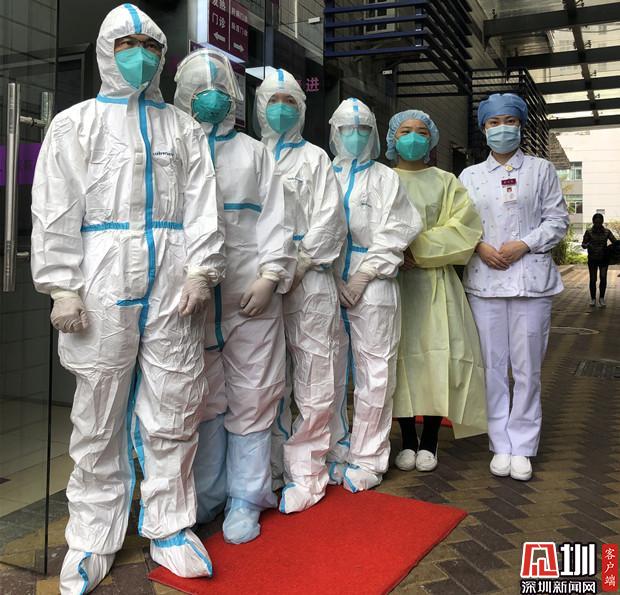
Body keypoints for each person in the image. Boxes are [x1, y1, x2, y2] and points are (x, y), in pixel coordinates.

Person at [31, 6, 225, 592]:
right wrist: (62, 284)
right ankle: (92, 537)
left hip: (172, 277)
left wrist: (201, 271)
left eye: (151, 45)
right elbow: (55, 207)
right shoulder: (75, 123)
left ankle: (170, 527)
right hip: (101, 277)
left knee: (175, 404)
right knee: (97, 412)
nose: (140, 55)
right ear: (105, 50)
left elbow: (203, 205)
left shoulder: (183, 128)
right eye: (127, 44)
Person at [174, 50, 296, 543]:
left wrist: (270, 276)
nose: (211, 98)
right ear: (183, 94)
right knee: (200, 399)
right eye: (200, 89)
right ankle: (207, 495)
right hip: (193, 299)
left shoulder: (254, 153)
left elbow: (277, 219)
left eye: (220, 89)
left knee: (254, 394)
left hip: (251, 298)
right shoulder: (175, 148)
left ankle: (246, 497)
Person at [459, 93, 569, 482]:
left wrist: (525, 244)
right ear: (483, 128)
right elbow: (460, 223)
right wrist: (479, 246)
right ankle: (499, 443)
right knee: (492, 367)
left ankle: (522, 445)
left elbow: (557, 220)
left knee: (527, 369)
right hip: (485, 281)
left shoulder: (541, 170)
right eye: (493, 122)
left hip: (530, 282)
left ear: (520, 125)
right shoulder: (470, 176)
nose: (501, 128)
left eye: (509, 121)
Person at [254, 69, 346, 513]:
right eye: (273, 100)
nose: (281, 109)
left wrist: (302, 261)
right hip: (260, 280)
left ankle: (307, 472)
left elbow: (330, 218)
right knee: (264, 378)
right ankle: (268, 468)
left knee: (314, 373)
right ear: (259, 106)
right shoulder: (252, 154)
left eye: (290, 101)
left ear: (302, 109)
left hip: (310, 281)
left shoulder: (315, 159)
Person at [326, 98, 422, 492]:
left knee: (375, 372)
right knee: (326, 370)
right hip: (326, 279)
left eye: (363, 128)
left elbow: (398, 228)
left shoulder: (386, 178)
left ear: (374, 133)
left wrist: (364, 274)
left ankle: (368, 456)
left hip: (376, 282)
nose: (355, 135)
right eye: (347, 128)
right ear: (334, 132)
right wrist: (331, 274)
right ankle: (333, 448)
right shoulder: (324, 172)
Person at [387, 110, 487, 474]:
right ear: (391, 138)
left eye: (421, 132)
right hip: (392, 282)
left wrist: (417, 250)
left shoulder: (446, 181)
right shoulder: (381, 178)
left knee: (436, 359)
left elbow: (464, 228)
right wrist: (393, 253)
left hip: (435, 284)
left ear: (431, 140)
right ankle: (406, 439)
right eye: (405, 131)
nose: (413, 137)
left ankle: (429, 440)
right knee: (397, 360)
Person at [582, 213, 616, 307]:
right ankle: (593, 299)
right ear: (593, 222)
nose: (598, 224)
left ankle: (601, 298)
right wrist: (587, 245)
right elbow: (583, 244)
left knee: (603, 277)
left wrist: (610, 249)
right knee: (593, 279)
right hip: (592, 259)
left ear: (602, 222)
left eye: (599, 222)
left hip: (604, 259)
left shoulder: (607, 232)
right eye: (596, 222)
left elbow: (615, 242)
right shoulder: (588, 232)